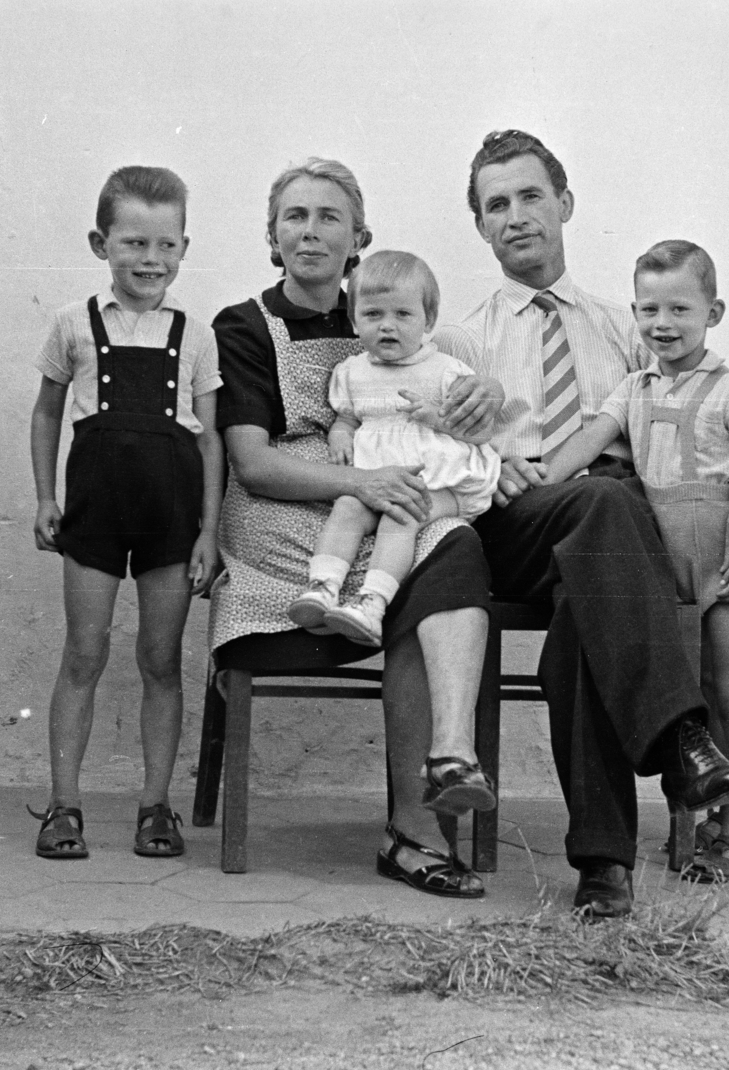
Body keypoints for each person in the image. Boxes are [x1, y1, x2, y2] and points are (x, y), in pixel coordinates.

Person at [433, 130, 729, 918]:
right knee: (605, 498)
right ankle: (683, 741)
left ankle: (602, 867)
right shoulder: (461, 339)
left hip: (612, 549)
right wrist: (489, 462)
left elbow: (718, 420)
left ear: (564, 204)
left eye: (530, 197)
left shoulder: (628, 327)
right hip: (514, 527)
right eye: (496, 205)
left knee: (581, 637)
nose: (516, 217)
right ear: (481, 227)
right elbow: (437, 457)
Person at [208, 159, 504, 894]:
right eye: (295, 217)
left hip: (383, 500)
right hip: (285, 519)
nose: (311, 232)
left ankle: (448, 756)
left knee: (453, 543)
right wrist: (364, 481)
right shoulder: (243, 325)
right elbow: (253, 465)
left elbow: (457, 368)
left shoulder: (384, 306)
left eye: (329, 217)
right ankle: (415, 828)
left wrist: (486, 396)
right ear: (273, 238)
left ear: (358, 238)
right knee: (424, 568)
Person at [544, 240, 729, 883]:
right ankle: (693, 828)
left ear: (715, 311)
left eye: (681, 308)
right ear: (633, 311)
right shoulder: (632, 389)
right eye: (649, 308)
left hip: (723, 571)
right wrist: (535, 480)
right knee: (682, 702)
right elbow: (584, 446)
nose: (663, 323)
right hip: (658, 572)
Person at [27, 165, 225, 861]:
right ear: (99, 243)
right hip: (95, 517)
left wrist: (208, 530)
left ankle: (155, 807)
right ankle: (63, 805)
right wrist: (47, 496)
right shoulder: (71, 325)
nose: (151, 260)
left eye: (166, 245)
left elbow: (210, 442)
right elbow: (48, 411)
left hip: (171, 522)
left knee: (160, 660)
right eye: (134, 243)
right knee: (83, 653)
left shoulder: (195, 336)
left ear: (183, 247)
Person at [288, 251, 502, 666]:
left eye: (403, 314)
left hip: (443, 482)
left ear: (429, 319)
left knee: (401, 515)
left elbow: (480, 433)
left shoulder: (446, 371)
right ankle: (322, 587)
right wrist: (340, 433)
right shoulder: (352, 372)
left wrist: (438, 418)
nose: (388, 325)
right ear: (354, 321)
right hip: (380, 476)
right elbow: (347, 416)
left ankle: (372, 603)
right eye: (372, 314)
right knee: (349, 504)